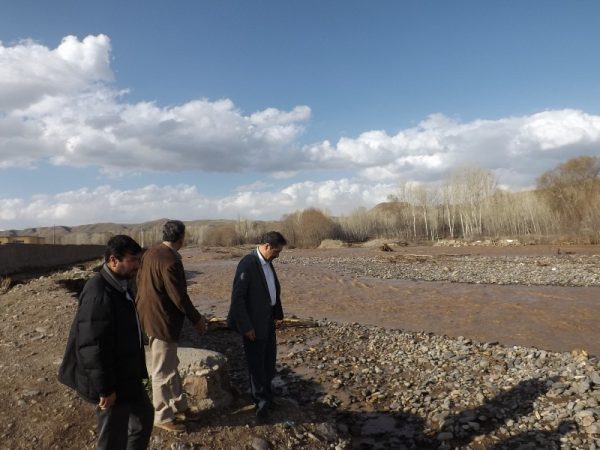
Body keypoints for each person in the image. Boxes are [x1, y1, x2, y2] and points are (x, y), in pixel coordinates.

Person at [58, 235, 153, 450]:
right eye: (133, 260)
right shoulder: (98, 292)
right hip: (113, 382)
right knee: (113, 438)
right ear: (113, 260)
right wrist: (106, 389)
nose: (137, 265)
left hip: (127, 375)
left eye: (138, 260)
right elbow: (92, 346)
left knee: (143, 418)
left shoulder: (119, 285)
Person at [135, 220, 206, 433]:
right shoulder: (170, 260)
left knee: (171, 364)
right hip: (162, 321)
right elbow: (179, 297)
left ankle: (180, 407)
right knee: (161, 371)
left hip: (150, 316)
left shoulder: (151, 253)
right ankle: (163, 416)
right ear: (181, 237)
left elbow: (139, 282)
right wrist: (197, 319)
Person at [227, 231, 287, 422]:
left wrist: (276, 314)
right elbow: (237, 298)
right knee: (256, 365)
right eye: (276, 251)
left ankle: (268, 397)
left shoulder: (268, 262)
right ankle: (261, 405)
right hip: (253, 324)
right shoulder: (247, 264)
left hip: (267, 321)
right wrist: (246, 326)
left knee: (269, 362)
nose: (278, 255)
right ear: (267, 246)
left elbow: (270, 290)